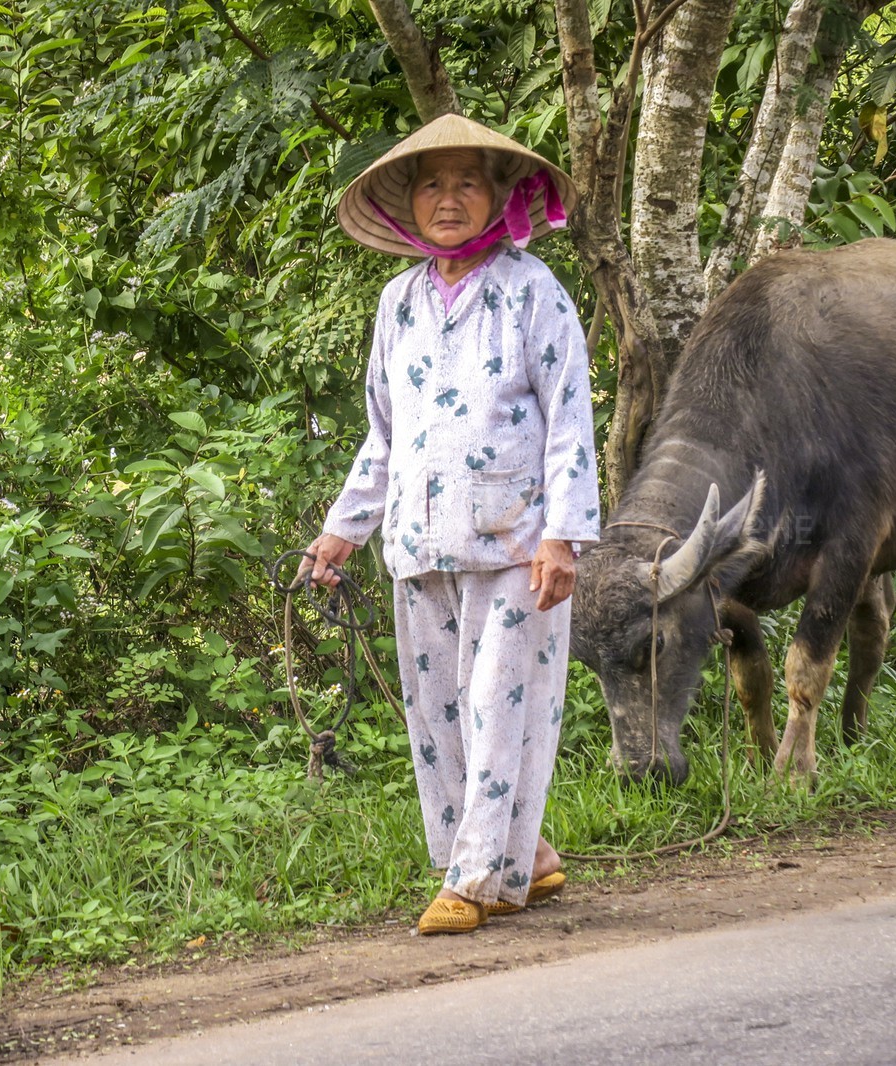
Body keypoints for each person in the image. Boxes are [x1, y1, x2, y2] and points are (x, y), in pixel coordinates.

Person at [303, 114, 600, 935]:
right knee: (438, 716)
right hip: (420, 543)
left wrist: (564, 534)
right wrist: (344, 530)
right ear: (408, 201)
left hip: (515, 541)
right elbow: (384, 433)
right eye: (431, 183)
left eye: (468, 181)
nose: (448, 199)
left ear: (500, 197)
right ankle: (528, 855)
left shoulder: (534, 290)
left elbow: (571, 418)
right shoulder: (397, 303)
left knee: (499, 708)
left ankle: (471, 879)